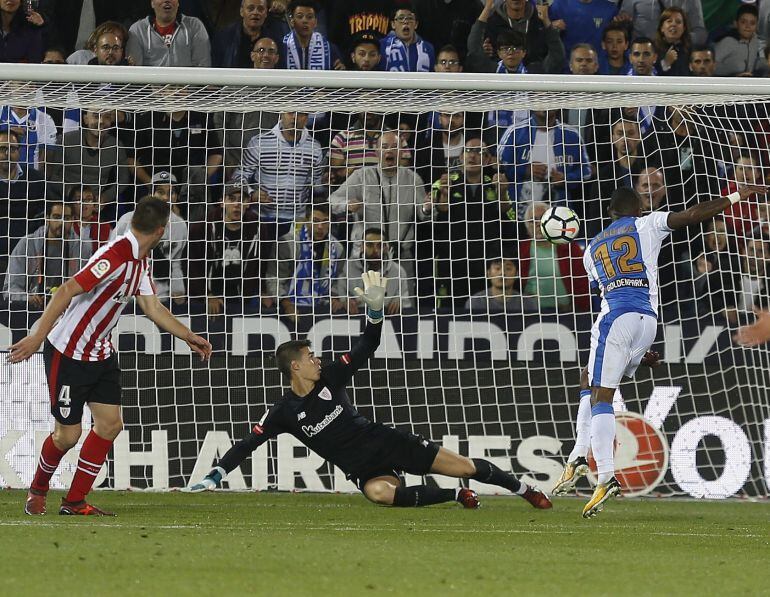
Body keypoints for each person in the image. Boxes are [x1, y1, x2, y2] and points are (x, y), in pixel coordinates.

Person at [188, 271, 552, 510]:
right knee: (379, 494)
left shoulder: (330, 377)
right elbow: (248, 443)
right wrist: (215, 475)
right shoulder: (284, 411)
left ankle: (524, 491)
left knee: (465, 466)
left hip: (385, 441)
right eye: (310, 356)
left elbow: (367, 345)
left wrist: (375, 312)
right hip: (363, 467)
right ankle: (455, 497)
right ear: (294, 366)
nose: (318, 360)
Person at [552, 182, 766, 518]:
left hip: (616, 317)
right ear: (638, 208)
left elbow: (601, 290)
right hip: (648, 322)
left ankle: (604, 476)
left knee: (600, 395)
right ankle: (579, 454)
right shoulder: (647, 223)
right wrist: (737, 195)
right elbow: (694, 215)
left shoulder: (590, 249)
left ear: (610, 213)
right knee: (589, 376)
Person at [9, 197, 212, 516]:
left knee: (110, 425)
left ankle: (74, 501)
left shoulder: (140, 260)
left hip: (101, 353)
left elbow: (152, 307)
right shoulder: (114, 255)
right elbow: (66, 290)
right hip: (69, 352)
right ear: (161, 230)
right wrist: (36, 337)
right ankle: (37, 490)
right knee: (68, 436)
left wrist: (188, 336)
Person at [3, 201, 92, 308]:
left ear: (73, 220)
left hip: (68, 309)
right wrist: (28, 298)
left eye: (67, 218)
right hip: (31, 309)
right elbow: (10, 288)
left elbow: (87, 288)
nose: (61, 223)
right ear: (47, 218)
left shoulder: (83, 248)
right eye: (56, 217)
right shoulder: (27, 244)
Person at [188, 185, 261, 315]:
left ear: (248, 203)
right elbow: (191, 266)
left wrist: (264, 291)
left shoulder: (257, 228)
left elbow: (264, 263)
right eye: (231, 199)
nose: (237, 204)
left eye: (241, 199)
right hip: (207, 300)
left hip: (243, 300)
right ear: (222, 202)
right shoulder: (202, 228)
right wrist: (206, 295)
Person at [112, 182, 188, 303]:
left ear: (176, 196)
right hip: (127, 296)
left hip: (160, 297)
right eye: (160, 192)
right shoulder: (127, 220)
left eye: (171, 192)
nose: (165, 197)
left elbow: (175, 262)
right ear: (150, 194)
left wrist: (178, 289)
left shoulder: (180, 225)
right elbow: (112, 256)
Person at [518, 201, 590, 312]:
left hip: (566, 312)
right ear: (527, 227)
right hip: (531, 313)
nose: (538, 223)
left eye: (542, 218)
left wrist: (579, 310)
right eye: (532, 221)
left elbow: (582, 283)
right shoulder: (521, 250)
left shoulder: (569, 248)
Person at [478, 0, 565, 74]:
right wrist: (483, 52)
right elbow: (476, 52)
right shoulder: (492, 23)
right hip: (501, 77)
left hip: (534, 78)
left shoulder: (540, 20)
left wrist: (547, 22)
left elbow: (557, 54)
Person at [345, 228, 412, 315]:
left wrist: (400, 302)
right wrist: (344, 302)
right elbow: (336, 297)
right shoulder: (348, 268)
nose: (375, 251)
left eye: (379, 245)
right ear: (361, 247)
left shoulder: (398, 272)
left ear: (386, 248)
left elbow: (406, 304)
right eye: (369, 245)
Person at [126, 0, 211, 67]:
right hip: (150, 89)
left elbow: (202, 66)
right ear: (152, 3)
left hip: (188, 88)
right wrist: (154, 89)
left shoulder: (195, 26)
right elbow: (136, 72)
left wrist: (186, 89)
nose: (167, 1)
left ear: (178, 3)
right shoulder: (137, 30)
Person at [211, 0, 285, 68]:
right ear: (241, 12)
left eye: (260, 9)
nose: (255, 12)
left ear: (266, 13)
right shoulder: (223, 38)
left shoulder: (275, 41)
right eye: (250, 8)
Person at [547, 0, 617, 69]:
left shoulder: (609, 8)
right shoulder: (558, 6)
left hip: (599, 68)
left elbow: (619, 36)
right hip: (567, 67)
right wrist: (552, 25)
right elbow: (545, 33)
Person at [282, 0, 344, 70]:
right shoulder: (282, 47)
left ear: (315, 22)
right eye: (300, 16)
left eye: (309, 17)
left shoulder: (330, 49)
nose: (305, 21)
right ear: (292, 21)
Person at [617, 0, 706, 47]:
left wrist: (681, 40)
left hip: (676, 56)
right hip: (643, 58)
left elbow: (700, 34)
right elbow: (622, 28)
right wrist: (623, 22)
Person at [378, 5, 435, 72]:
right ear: (393, 24)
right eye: (401, 18)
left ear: (416, 24)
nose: (405, 22)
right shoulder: (382, 45)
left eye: (410, 18)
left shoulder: (428, 48)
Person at [466, 257, 531, 314]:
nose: (502, 273)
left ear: (517, 274)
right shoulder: (476, 302)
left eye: (508, 268)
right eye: (497, 268)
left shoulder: (527, 303)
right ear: (488, 273)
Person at [714, 4, 763, 77]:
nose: (748, 27)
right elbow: (710, 67)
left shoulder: (755, 40)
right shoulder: (727, 42)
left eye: (752, 23)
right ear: (736, 23)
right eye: (743, 22)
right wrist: (733, 75)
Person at [654, 7, 691, 76]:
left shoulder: (690, 50)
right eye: (669, 21)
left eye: (678, 22)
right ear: (662, 27)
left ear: (684, 28)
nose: (673, 24)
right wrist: (665, 63)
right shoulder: (653, 49)